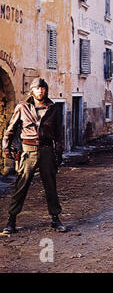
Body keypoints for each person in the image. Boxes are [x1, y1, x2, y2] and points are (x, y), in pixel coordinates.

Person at [2, 78, 66, 234]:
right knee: (21, 185)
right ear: (32, 90)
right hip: (28, 151)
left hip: (46, 151)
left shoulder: (53, 108)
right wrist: (6, 147)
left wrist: (58, 153)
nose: (40, 91)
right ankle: (11, 220)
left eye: (43, 88)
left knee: (50, 186)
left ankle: (55, 219)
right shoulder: (22, 107)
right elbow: (10, 130)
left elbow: (58, 133)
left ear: (46, 90)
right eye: (37, 88)